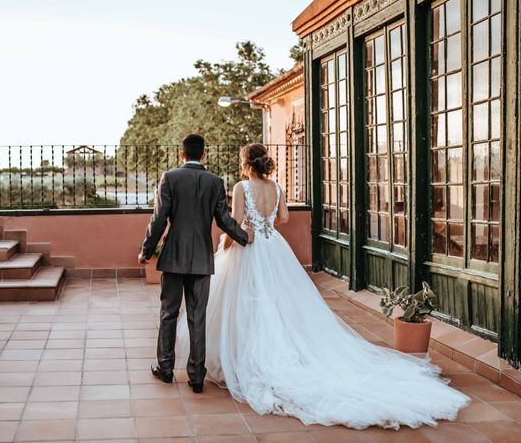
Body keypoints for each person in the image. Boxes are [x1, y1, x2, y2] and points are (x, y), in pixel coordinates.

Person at [176, 143, 470, 429]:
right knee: (281, 302)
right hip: (274, 247)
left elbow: (236, 221)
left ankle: (248, 357)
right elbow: (285, 217)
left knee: (249, 302)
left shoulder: (242, 187)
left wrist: (228, 243)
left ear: (246, 163)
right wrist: (265, 224)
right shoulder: (276, 187)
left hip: (250, 246)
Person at [139, 134, 252, 394]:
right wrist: (244, 238)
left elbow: (159, 219)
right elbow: (224, 219)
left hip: (173, 258)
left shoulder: (170, 178)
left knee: (168, 313)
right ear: (203, 154)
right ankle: (196, 376)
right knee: (196, 316)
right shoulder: (215, 182)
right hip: (202, 259)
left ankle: (165, 369)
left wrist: (146, 250)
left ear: (181, 153)